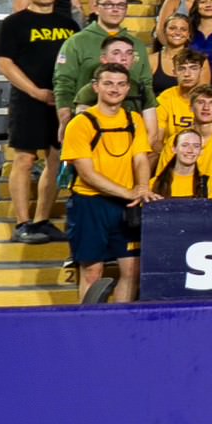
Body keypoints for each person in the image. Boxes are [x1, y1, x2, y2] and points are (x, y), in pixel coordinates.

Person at [0, 0, 76, 242]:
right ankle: (22, 223)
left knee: (55, 159)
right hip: (27, 100)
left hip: (60, 101)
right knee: (25, 159)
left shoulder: (69, 25)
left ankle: (42, 219)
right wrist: (35, 92)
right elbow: (4, 63)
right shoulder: (14, 23)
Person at [60, 65, 153, 302]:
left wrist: (142, 188)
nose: (115, 89)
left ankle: (122, 319)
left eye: (121, 84)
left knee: (132, 270)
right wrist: (128, 192)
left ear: (128, 88)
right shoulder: (80, 123)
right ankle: (89, 321)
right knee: (92, 271)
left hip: (127, 206)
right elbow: (87, 173)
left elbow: (141, 158)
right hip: (90, 204)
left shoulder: (134, 120)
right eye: (108, 83)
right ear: (96, 87)